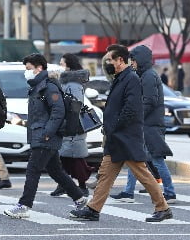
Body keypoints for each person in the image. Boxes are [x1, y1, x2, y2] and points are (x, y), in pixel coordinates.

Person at [69, 45, 172, 222]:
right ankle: (93, 209)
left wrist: (115, 126)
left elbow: (131, 109)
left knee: (143, 174)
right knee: (105, 175)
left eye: (110, 60)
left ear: (120, 60)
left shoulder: (131, 78)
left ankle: (163, 208)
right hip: (116, 137)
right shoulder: (120, 78)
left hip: (126, 137)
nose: (107, 63)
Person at [4, 54, 87, 218]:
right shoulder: (39, 86)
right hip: (42, 134)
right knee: (55, 171)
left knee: (33, 170)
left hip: (45, 136)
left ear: (39, 68)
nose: (26, 72)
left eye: (28, 69)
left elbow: (58, 111)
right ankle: (79, 197)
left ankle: (24, 205)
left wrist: (47, 133)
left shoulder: (48, 87)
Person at [110, 45, 176, 204]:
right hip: (145, 125)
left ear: (140, 60)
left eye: (133, 60)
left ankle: (170, 193)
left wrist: (136, 117)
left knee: (157, 159)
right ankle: (128, 192)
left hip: (150, 126)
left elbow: (149, 101)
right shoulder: (144, 75)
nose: (131, 63)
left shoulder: (148, 76)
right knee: (135, 158)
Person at [49, 53, 92, 198]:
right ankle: (64, 184)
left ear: (68, 65)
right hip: (68, 123)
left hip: (73, 125)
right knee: (66, 157)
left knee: (75, 158)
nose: (60, 66)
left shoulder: (73, 83)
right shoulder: (67, 81)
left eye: (61, 64)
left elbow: (75, 104)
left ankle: (81, 186)